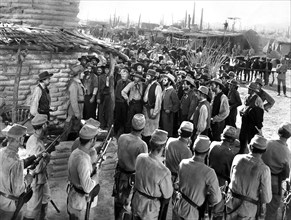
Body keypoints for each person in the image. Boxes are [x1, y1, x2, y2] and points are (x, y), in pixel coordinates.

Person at [173, 135, 222, 220]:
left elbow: (179, 183)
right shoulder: (209, 172)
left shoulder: (183, 163)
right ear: (207, 152)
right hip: (191, 213)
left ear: (193, 149)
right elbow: (216, 199)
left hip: (178, 206)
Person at [225, 134, 272, 220]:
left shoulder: (237, 158)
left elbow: (231, 177)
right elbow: (267, 198)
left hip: (231, 204)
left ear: (250, 147)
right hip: (247, 210)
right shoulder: (264, 169)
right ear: (264, 151)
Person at [131, 129, 173, 220]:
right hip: (150, 210)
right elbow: (167, 196)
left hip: (136, 201)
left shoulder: (140, 157)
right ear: (163, 147)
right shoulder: (164, 171)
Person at [113, 114, 148, 220]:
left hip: (119, 176)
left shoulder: (122, 137)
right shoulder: (142, 145)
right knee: (128, 208)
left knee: (118, 203)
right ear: (143, 128)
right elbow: (143, 167)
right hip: (131, 180)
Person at [0, 124, 33, 220]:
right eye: (24, 137)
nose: (24, 139)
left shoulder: (1, 152)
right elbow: (18, 191)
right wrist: (28, 180)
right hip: (10, 205)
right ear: (20, 139)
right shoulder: (16, 162)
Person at [67, 124, 100, 220]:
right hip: (81, 204)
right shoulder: (83, 159)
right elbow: (87, 188)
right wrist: (95, 178)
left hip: (74, 197)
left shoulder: (76, 152)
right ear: (92, 140)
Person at [208, 126, 239, 220]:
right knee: (218, 211)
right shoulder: (230, 154)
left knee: (207, 208)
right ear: (232, 140)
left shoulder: (213, 145)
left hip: (209, 178)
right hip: (221, 183)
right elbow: (231, 173)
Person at [24, 114, 51, 220]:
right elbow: (36, 167)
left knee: (45, 199)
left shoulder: (35, 138)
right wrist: (47, 158)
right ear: (44, 125)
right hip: (36, 179)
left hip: (42, 179)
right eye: (46, 124)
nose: (47, 126)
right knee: (33, 209)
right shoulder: (35, 143)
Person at [262, 122, 291, 220]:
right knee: (272, 208)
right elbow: (287, 173)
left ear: (279, 132)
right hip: (274, 181)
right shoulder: (286, 151)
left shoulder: (268, 143)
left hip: (260, 177)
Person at [239, 82, 264, 154]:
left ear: (253, 91)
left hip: (252, 123)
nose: (248, 90)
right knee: (242, 137)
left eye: (249, 89)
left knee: (251, 139)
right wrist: (242, 111)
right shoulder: (247, 97)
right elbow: (245, 107)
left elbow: (260, 113)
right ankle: (241, 151)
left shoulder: (258, 100)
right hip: (245, 120)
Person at [63, 65, 85, 141]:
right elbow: (73, 100)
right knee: (71, 125)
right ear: (78, 74)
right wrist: (77, 113)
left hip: (79, 106)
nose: (83, 74)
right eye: (82, 73)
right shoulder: (73, 85)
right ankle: (65, 140)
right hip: (74, 108)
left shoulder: (78, 83)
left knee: (76, 126)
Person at [142, 69, 163, 146]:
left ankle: (150, 145)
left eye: (148, 76)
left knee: (151, 131)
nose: (146, 78)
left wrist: (155, 112)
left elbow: (158, 101)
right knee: (146, 129)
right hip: (146, 109)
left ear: (153, 77)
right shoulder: (148, 84)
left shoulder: (157, 87)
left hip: (152, 110)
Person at [98, 54, 116, 130]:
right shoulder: (101, 77)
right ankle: (102, 125)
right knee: (101, 111)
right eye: (105, 69)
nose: (106, 70)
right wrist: (98, 97)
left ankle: (109, 126)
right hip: (103, 95)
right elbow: (99, 88)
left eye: (108, 69)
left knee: (109, 112)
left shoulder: (112, 77)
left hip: (109, 96)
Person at [114, 68, 131, 136]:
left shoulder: (130, 83)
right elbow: (117, 92)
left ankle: (124, 132)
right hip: (118, 102)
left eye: (124, 74)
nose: (122, 76)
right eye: (121, 74)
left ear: (127, 75)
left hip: (125, 103)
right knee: (117, 118)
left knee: (125, 118)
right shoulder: (119, 82)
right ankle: (116, 132)